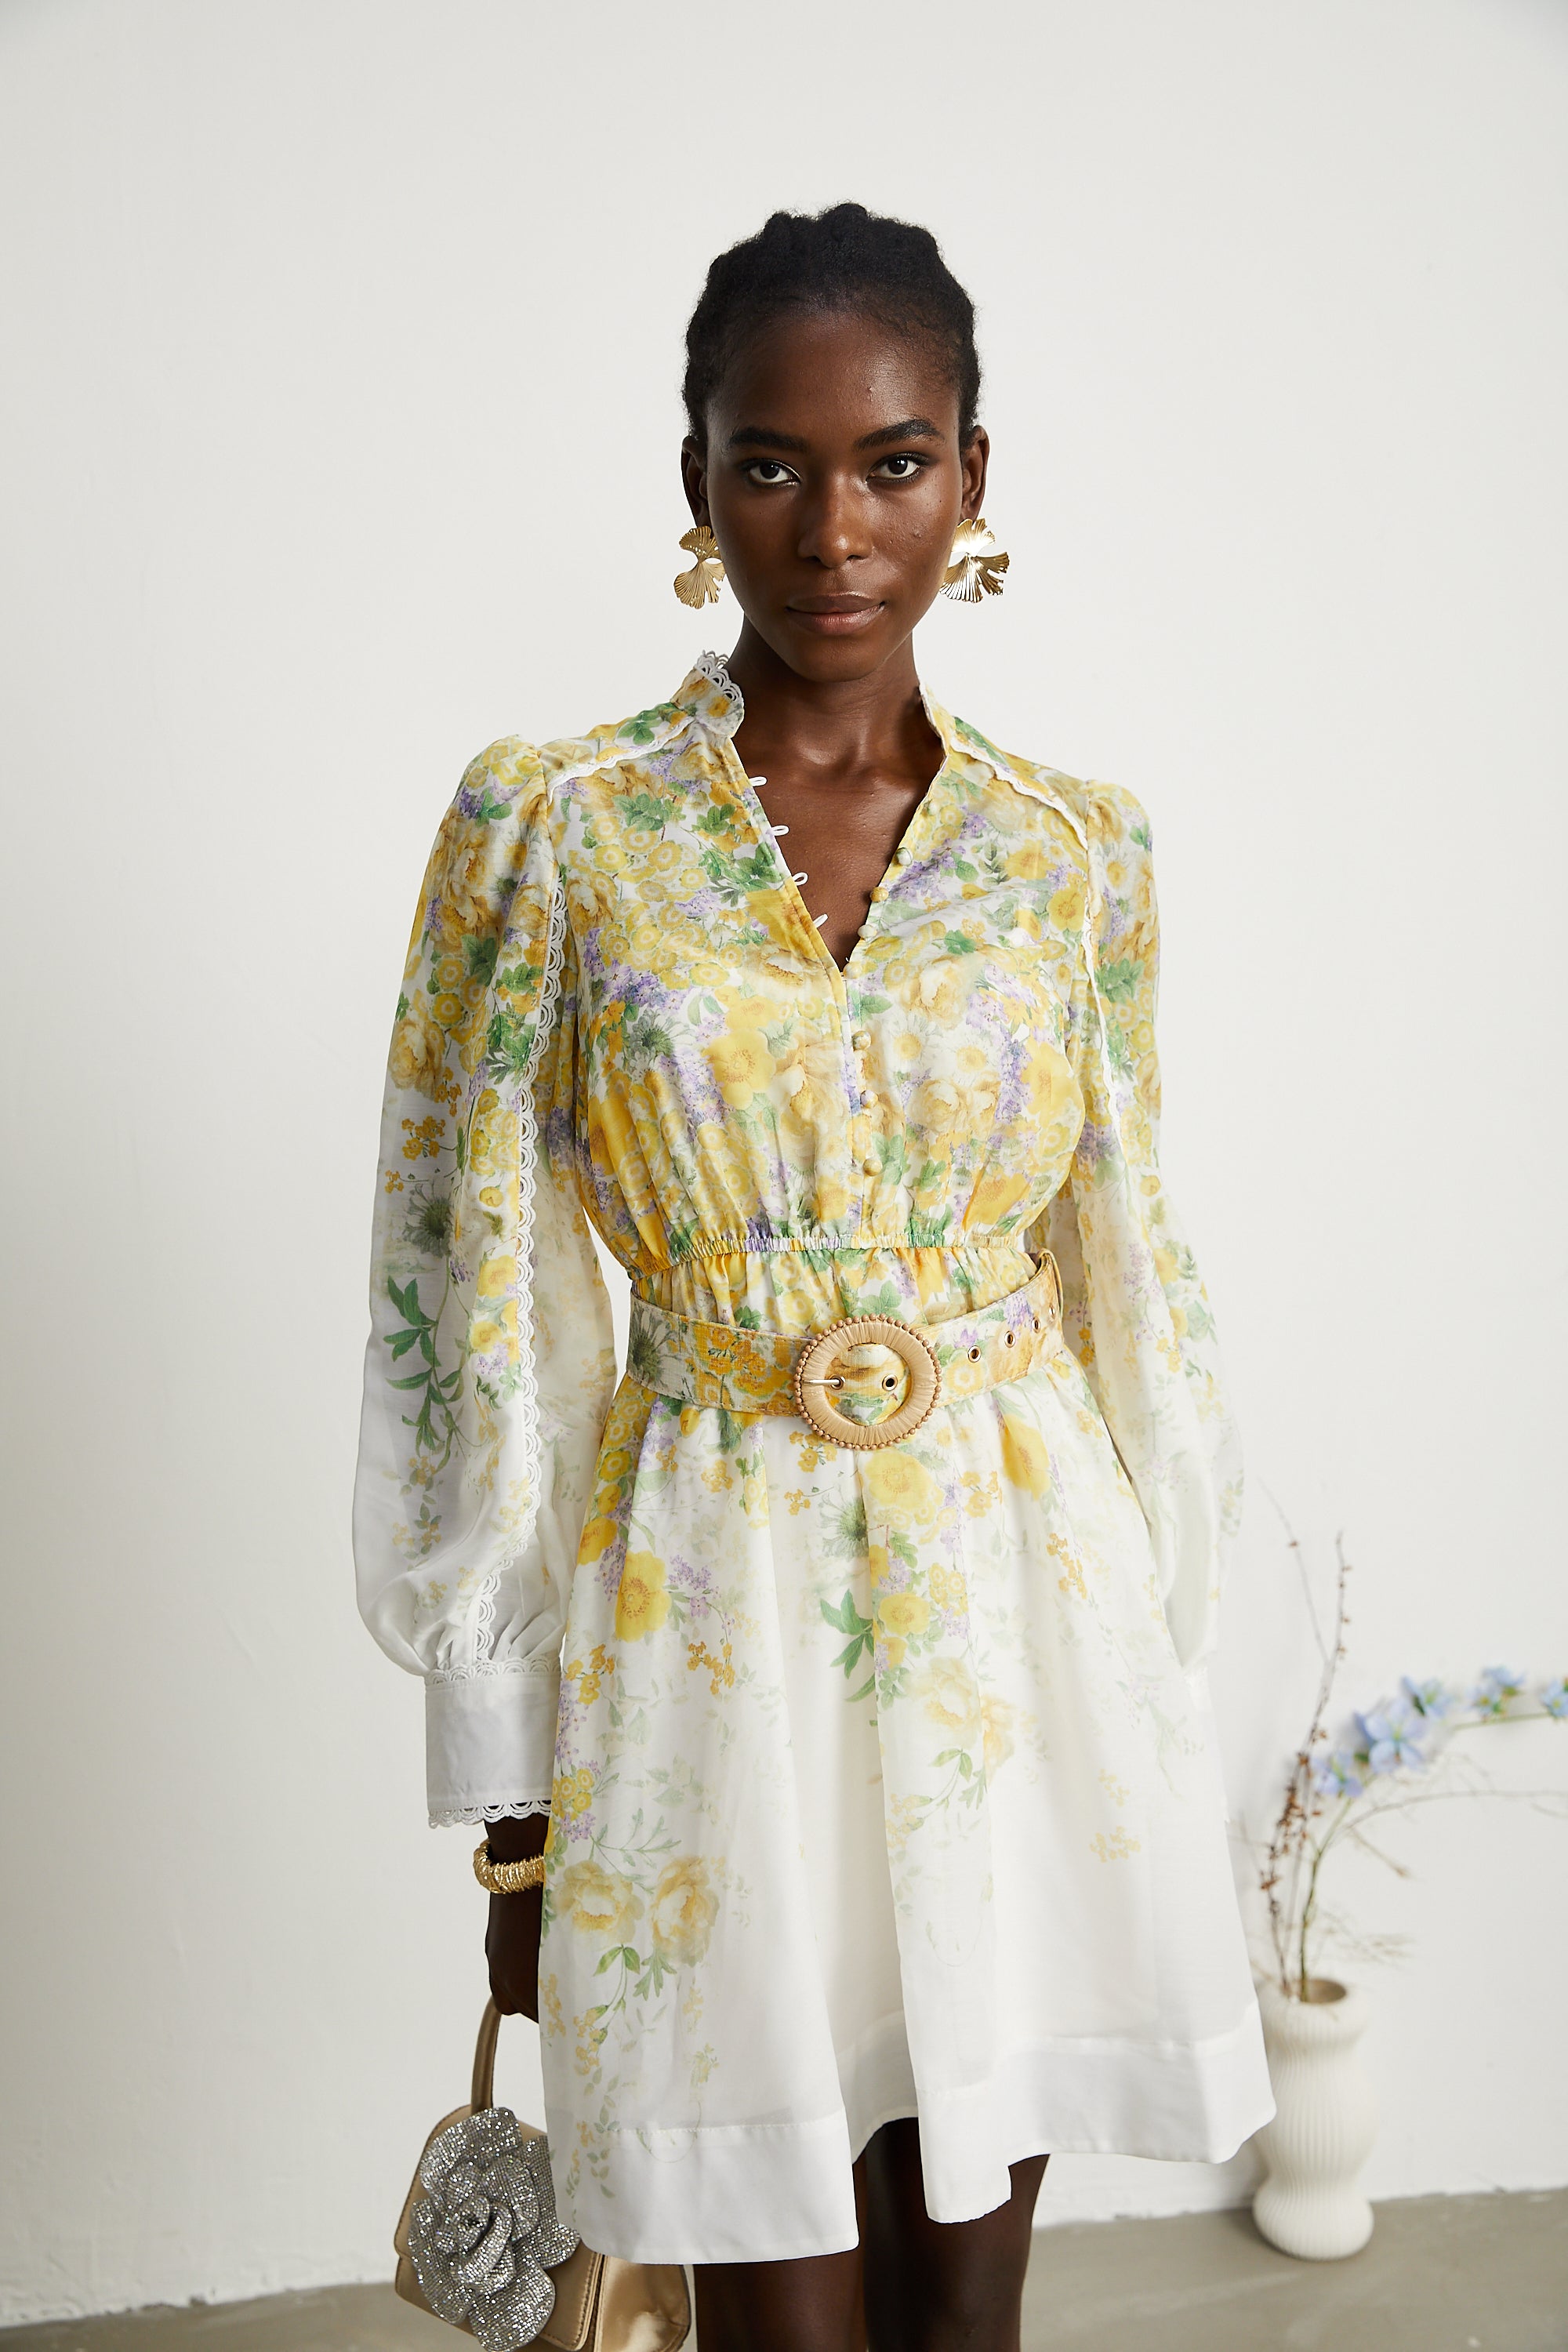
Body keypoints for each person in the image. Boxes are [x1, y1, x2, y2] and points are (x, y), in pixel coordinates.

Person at [354, 203, 1272, 2352]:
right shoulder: (554, 830)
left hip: (1020, 1634)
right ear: (694, 482)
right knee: (773, 2307)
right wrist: (515, 1812)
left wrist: (1155, 1672)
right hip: (709, 1626)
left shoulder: (1078, 849)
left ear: (973, 478)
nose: (836, 530)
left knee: (969, 2307)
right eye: (770, 464)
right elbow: (464, 1296)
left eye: (893, 462)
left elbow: (1131, 1266)